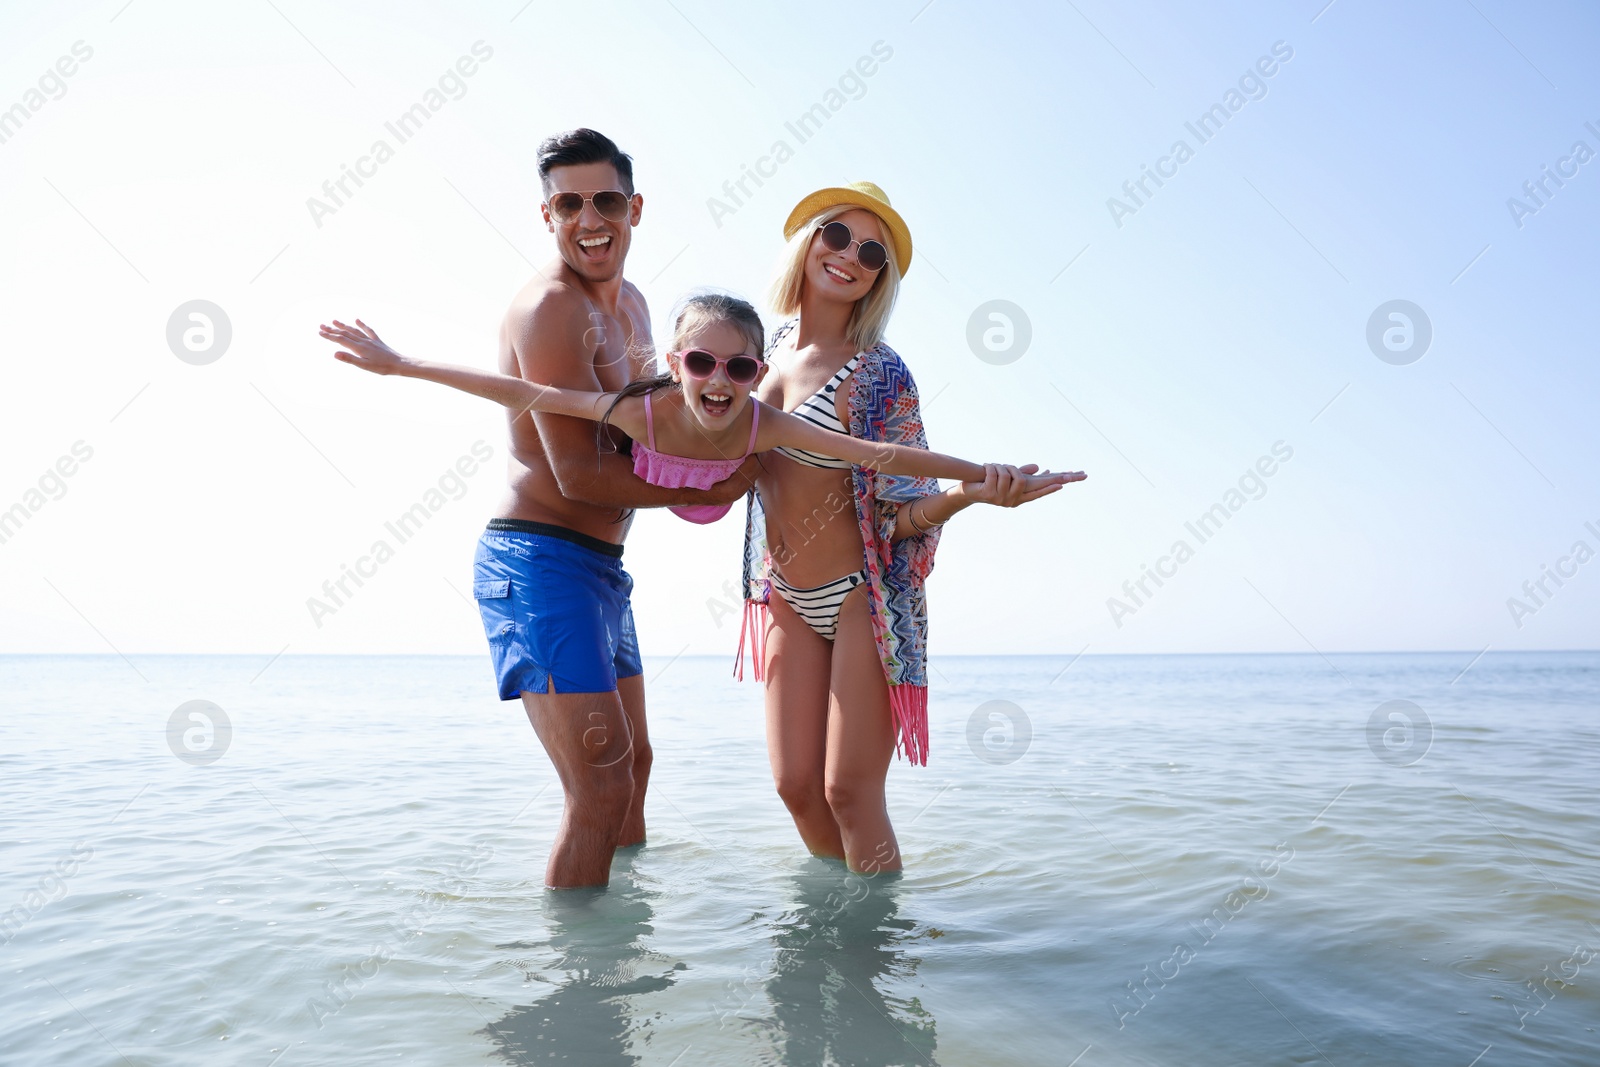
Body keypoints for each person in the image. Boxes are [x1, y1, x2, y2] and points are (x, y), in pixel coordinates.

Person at [335, 128, 755, 890]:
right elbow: (579, 476)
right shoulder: (549, 311)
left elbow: (655, 420)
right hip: (539, 562)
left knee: (636, 767)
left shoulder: (632, 303)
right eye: (569, 204)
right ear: (547, 215)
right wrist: (707, 489)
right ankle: (579, 989)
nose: (589, 219)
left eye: (604, 200)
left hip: (602, 569)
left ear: (634, 207)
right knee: (599, 785)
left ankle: (623, 941)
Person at [739, 182, 1087, 875]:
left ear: (880, 279)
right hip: (783, 595)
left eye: (872, 252)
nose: (851, 257)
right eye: (837, 235)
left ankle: (874, 952)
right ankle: (838, 925)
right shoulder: (755, 351)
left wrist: (966, 496)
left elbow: (901, 515)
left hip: (862, 598)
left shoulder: (880, 374)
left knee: (849, 790)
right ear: (807, 239)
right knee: (795, 787)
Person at [320, 295, 1065, 513]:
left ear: (754, 371)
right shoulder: (633, 411)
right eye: (701, 361)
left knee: (804, 467)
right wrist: (399, 365)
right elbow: (522, 390)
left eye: (738, 365)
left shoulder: (762, 421)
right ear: (676, 364)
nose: (719, 378)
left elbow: (878, 453)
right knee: (564, 424)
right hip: (653, 474)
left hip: (717, 495)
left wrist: (982, 473)